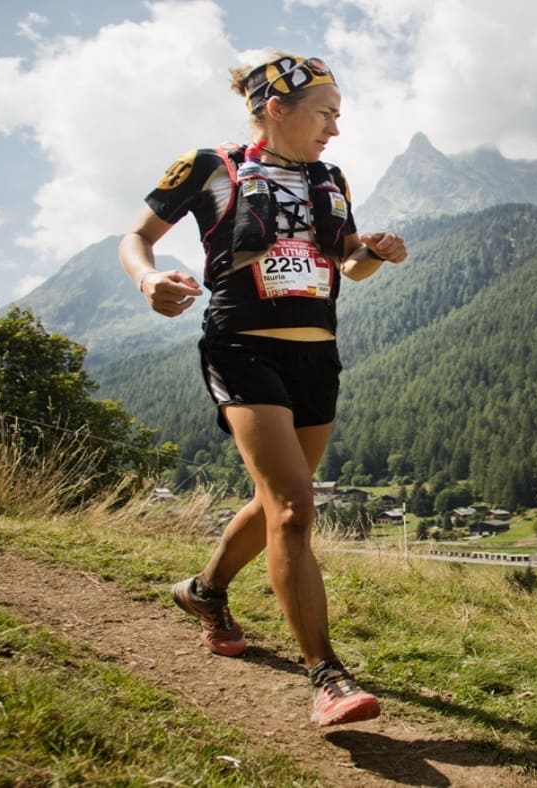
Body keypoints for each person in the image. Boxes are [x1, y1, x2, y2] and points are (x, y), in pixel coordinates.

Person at [118, 52, 407, 728]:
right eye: (326, 113)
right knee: (294, 511)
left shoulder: (330, 178)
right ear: (276, 107)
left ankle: (204, 590)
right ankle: (326, 675)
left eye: (339, 116)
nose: (336, 128)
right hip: (242, 348)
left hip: (318, 359)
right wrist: (148, 280)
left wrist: (376, 252)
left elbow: (347, 270)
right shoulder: (208, 165)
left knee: (279, 501)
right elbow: (138, 236)